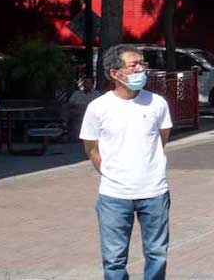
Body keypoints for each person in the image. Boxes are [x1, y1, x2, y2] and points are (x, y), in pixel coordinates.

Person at [80, 45, 174, 280]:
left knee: (157, 254)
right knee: (114, 260)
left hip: (154, 192)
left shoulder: (157, 103)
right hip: (114, 196)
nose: (141, 69)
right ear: (114, 73)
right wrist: (114, 173)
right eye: (133, 65)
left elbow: (161, 140)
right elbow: (92, 149)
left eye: (142, 63)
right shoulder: (98, 108)